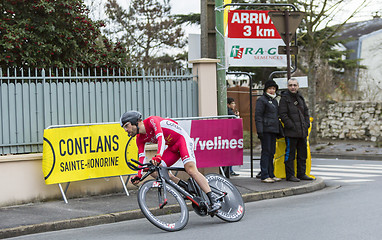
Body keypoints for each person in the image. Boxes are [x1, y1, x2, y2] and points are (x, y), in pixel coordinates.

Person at [120, 111, 222, 212]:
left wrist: (159, 155)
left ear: (136, 121)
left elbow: (161, 139)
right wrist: (139, 175)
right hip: (172, 148)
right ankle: (185, 187)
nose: (125, 130)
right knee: (155, 171)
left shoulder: (151, 121)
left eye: (126, 126)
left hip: (182, 140)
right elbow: (141, 156)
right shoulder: (139, 139)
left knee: (190, 170)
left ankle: (213, 199)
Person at [278, 78, 314, 182]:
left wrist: (306, 124)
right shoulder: (285, 98)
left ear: (298, 86)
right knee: (290, 154)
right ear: (288, 86)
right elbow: (283, 114)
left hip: (302, 131)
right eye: (290, 85)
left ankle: (301, 173)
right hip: (291, 132)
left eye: (294, 85)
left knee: (302, 154)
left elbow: (306, 112)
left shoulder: (300, 97)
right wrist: (291, 126)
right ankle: (290, 175)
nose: (293, 87)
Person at [255, 80, 282, 183]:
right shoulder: (261, 100)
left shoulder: (274, 101)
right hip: (266, 130)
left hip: (273, 129)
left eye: (273, 89)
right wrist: (260, 131)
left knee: (272, 152)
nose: (272, 90)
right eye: (270, 88)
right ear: (266, 89)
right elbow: (258, 116)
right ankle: (264, 175)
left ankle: (271, 174)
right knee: (266, 152)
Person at [226, 97, 240, 176]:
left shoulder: (230, 112)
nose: (234, 105)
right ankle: (229, 170)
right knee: (230, 153)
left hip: (230, 134)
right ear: (228, 104)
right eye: (232, 103)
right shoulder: (230, 112)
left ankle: (230, 170)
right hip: (230, 135)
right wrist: (236, 116)